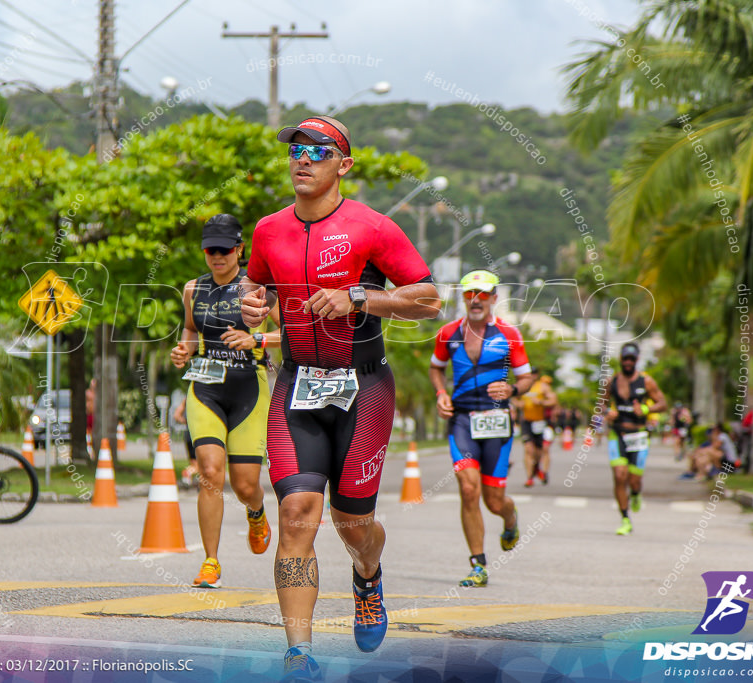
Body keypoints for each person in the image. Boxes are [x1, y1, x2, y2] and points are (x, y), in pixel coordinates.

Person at [240, 115, 440, 679]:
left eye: (317, 150)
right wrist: (255, 305)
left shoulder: (373, 227)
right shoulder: (268, 230)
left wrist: (358, 298)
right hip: (297, 384)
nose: (302, 159)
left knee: (354, 525)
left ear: (343, 165)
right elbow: (257, 287)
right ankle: (299, 652)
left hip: (364, 388)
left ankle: (368, 578)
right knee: (297, 514)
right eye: (295, 150)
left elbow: (427, 299)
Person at [171, 214, 281, 589]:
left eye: (224, 249)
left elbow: (292, 332)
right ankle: (210, 562)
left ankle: (256, 512)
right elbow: (189, 328)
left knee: (245, 485)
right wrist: (183, 349)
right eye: (210, 250)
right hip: (206, 389)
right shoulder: (193, 289)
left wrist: (257, 340)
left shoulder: (258, 290)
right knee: (210, 473)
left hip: (249, 389)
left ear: (239, 250)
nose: (217, 256)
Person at [429, 270, 535, 588]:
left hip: (497, 421)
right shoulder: (448, 333)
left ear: (494, 298)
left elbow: (527, 378)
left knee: (494, 501)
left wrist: (513, 390)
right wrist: (441, 393)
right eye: (470, 294)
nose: (476, 300)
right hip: (461, 419)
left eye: (483, 294)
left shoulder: (509, 334)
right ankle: (478, 565)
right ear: (463, 298)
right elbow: (436, 368)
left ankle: (510, 519)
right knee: (468, 488)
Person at [603, 342, 667, 535]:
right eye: (625, 359)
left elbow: (663, 403)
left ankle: (636, 494)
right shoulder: (611, 381)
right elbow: (601, 405)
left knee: (634, 480)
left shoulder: (646, 381)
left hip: (638, 435)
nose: (628, 362)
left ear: (637, 360)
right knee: (619, 475)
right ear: (621, 360)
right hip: (618, 433)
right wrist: (608, 412)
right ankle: (625, 518)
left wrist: (646, 409)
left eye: (632, 359)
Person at [518, 374, 557, 486]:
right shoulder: (522, 386)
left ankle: (540, 470)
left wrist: (540, 402)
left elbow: (553, 400)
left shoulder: (543, 387)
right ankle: (529, 477)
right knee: (528, 449)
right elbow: (514, 398)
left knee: (543, 450)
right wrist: (519, 404)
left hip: (541, 421)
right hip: (527, 422)